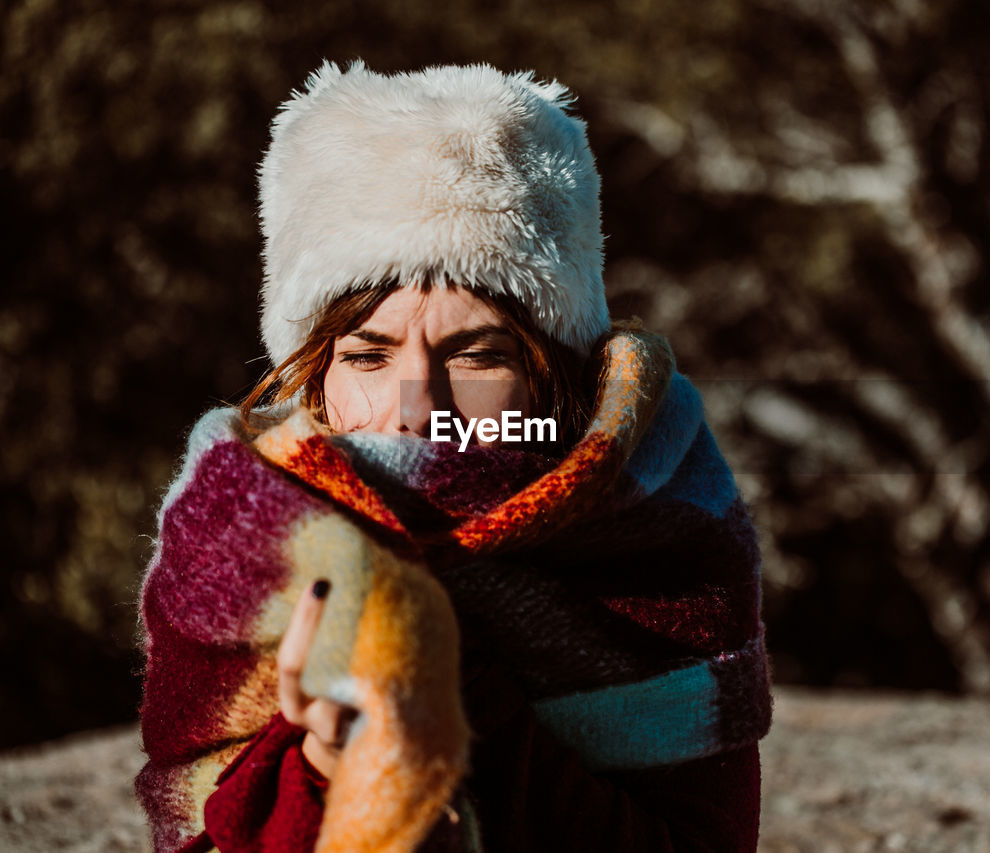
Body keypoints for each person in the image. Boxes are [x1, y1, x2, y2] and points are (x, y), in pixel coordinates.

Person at [135, 61, 772, 853]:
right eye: (368, 354)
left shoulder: (665, 534)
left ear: (554, 379)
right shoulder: (230, 545)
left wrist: (458, 693)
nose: (415, 409)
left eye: (477, 356)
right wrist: (329, 768)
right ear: (318, 382)